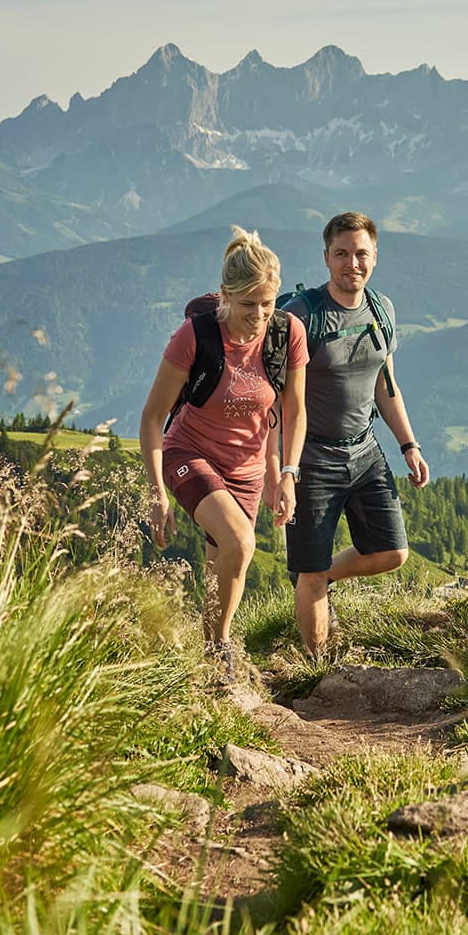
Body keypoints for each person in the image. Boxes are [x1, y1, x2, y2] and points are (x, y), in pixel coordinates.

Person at [140, 227, 308, 683]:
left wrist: (284, 473)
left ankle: (205, 650)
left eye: (267, 303)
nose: (258, 315)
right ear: (225, 297)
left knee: (222, 569)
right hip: (188, 453)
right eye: (248, 304)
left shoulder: (286, 334)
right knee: (242, 543)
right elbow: (153, 418)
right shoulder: (194, 337)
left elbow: (292, 411)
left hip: (248, 471)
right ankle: (220, 651)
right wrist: (156, 492)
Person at [279, 212, 428, 653]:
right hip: (312, 459)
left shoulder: (381, 310)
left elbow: (386, 385)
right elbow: (277, 399)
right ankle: (315, 670)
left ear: (375, 257)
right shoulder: (301, 316)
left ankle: (326, 577)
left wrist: (409, 445)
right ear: (326, 258)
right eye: (341, 254)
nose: (352, 263)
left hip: (364, 451)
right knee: (308, 569)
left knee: (392, 552)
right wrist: (282, 469)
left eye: (361, 253)